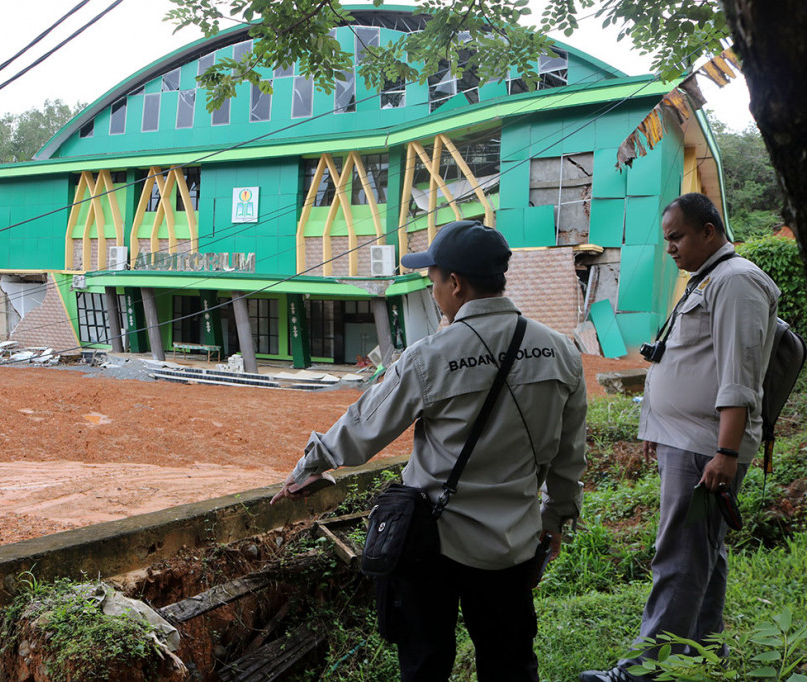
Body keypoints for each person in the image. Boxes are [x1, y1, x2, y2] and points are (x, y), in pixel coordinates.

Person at [272, 220, 587, 682]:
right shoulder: (560, 350)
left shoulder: (430, 356)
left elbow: (361, 431)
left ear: (455, 284)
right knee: (511, 663)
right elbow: (569, 456)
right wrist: (555, 520)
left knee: (424, 664)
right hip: (513, 544)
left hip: (433, 543)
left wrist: (309, 466)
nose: (433, 289)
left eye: (433, 279)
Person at [580, 193, 780, 682]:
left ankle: (643, 671)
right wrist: (659, 427)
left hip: (707, 446)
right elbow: (686, 360)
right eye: (667, 238)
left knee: (679, 555)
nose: (670, 247)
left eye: (677, 237)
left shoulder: (736, 282)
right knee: (702, 550)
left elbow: (740, 376)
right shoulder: (706, 280)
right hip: (686, 440)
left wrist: (727, 451)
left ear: (709, 231)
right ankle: (702, 654)